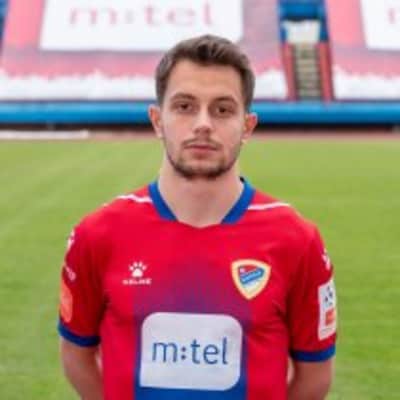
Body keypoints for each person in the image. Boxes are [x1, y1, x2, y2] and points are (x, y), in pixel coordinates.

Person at [58, 34, 337, 400]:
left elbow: (314, 377)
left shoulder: (297, 241)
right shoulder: (97, 234)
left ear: (247, 126)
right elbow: (76, 357)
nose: (203, 124)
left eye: (222, 110)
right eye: (185, 106)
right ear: (157, 120)